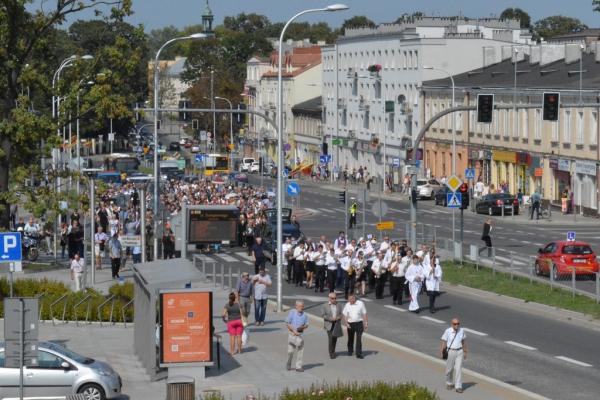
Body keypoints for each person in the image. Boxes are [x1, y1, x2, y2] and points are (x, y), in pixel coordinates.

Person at [440, 318, 467, 394]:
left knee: (458, 369)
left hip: (459, 351)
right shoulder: (448, 331)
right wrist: (442, 352)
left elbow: (463, 341)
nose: (457, 325)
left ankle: (458, 386)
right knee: (449, 369)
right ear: (452, 324)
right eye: (455, 324)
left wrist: (465, 351)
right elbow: (444, 341)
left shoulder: (461, 331)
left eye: (458, 323)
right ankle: (449, 383)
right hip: (451, 351)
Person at [285, 300, 309, 372]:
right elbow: (287, 323)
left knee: (300, 351)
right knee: (290, 352)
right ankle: (288, 364)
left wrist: (303, 327)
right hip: (292, 334)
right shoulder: (292, 312)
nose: (302, 308)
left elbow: (307, 324)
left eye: (302, 306)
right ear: (296, 306)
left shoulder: (305, 315)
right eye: (300, 306)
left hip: (299, 335)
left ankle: (298, 367)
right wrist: (294, 330)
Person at [342, 294, 368, 359]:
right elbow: (344, 315)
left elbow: (364, 313)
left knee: (359, 338)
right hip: (350, 324)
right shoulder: (347, 305)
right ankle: (350, 351)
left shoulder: (361, 303)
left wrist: (366, 323)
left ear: (354, 299)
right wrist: (346, 323)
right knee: (350, 338)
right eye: (349, 299)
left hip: (359, 323)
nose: (350, 301)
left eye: (351, 299)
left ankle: (358, 353)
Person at [321, 292, 343, 359]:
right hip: (329, 324)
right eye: (332, 298)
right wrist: (330, 318)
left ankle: (333, 350)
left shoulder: (339, 305)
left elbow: (341, 314)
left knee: (335, 338)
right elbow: (323, 315)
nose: (334, 300)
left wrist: (338, 318)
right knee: (331, 339)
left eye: (335, 298)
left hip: (336, 323)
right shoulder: (325, 305)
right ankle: (331, 353)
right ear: (329, 298)